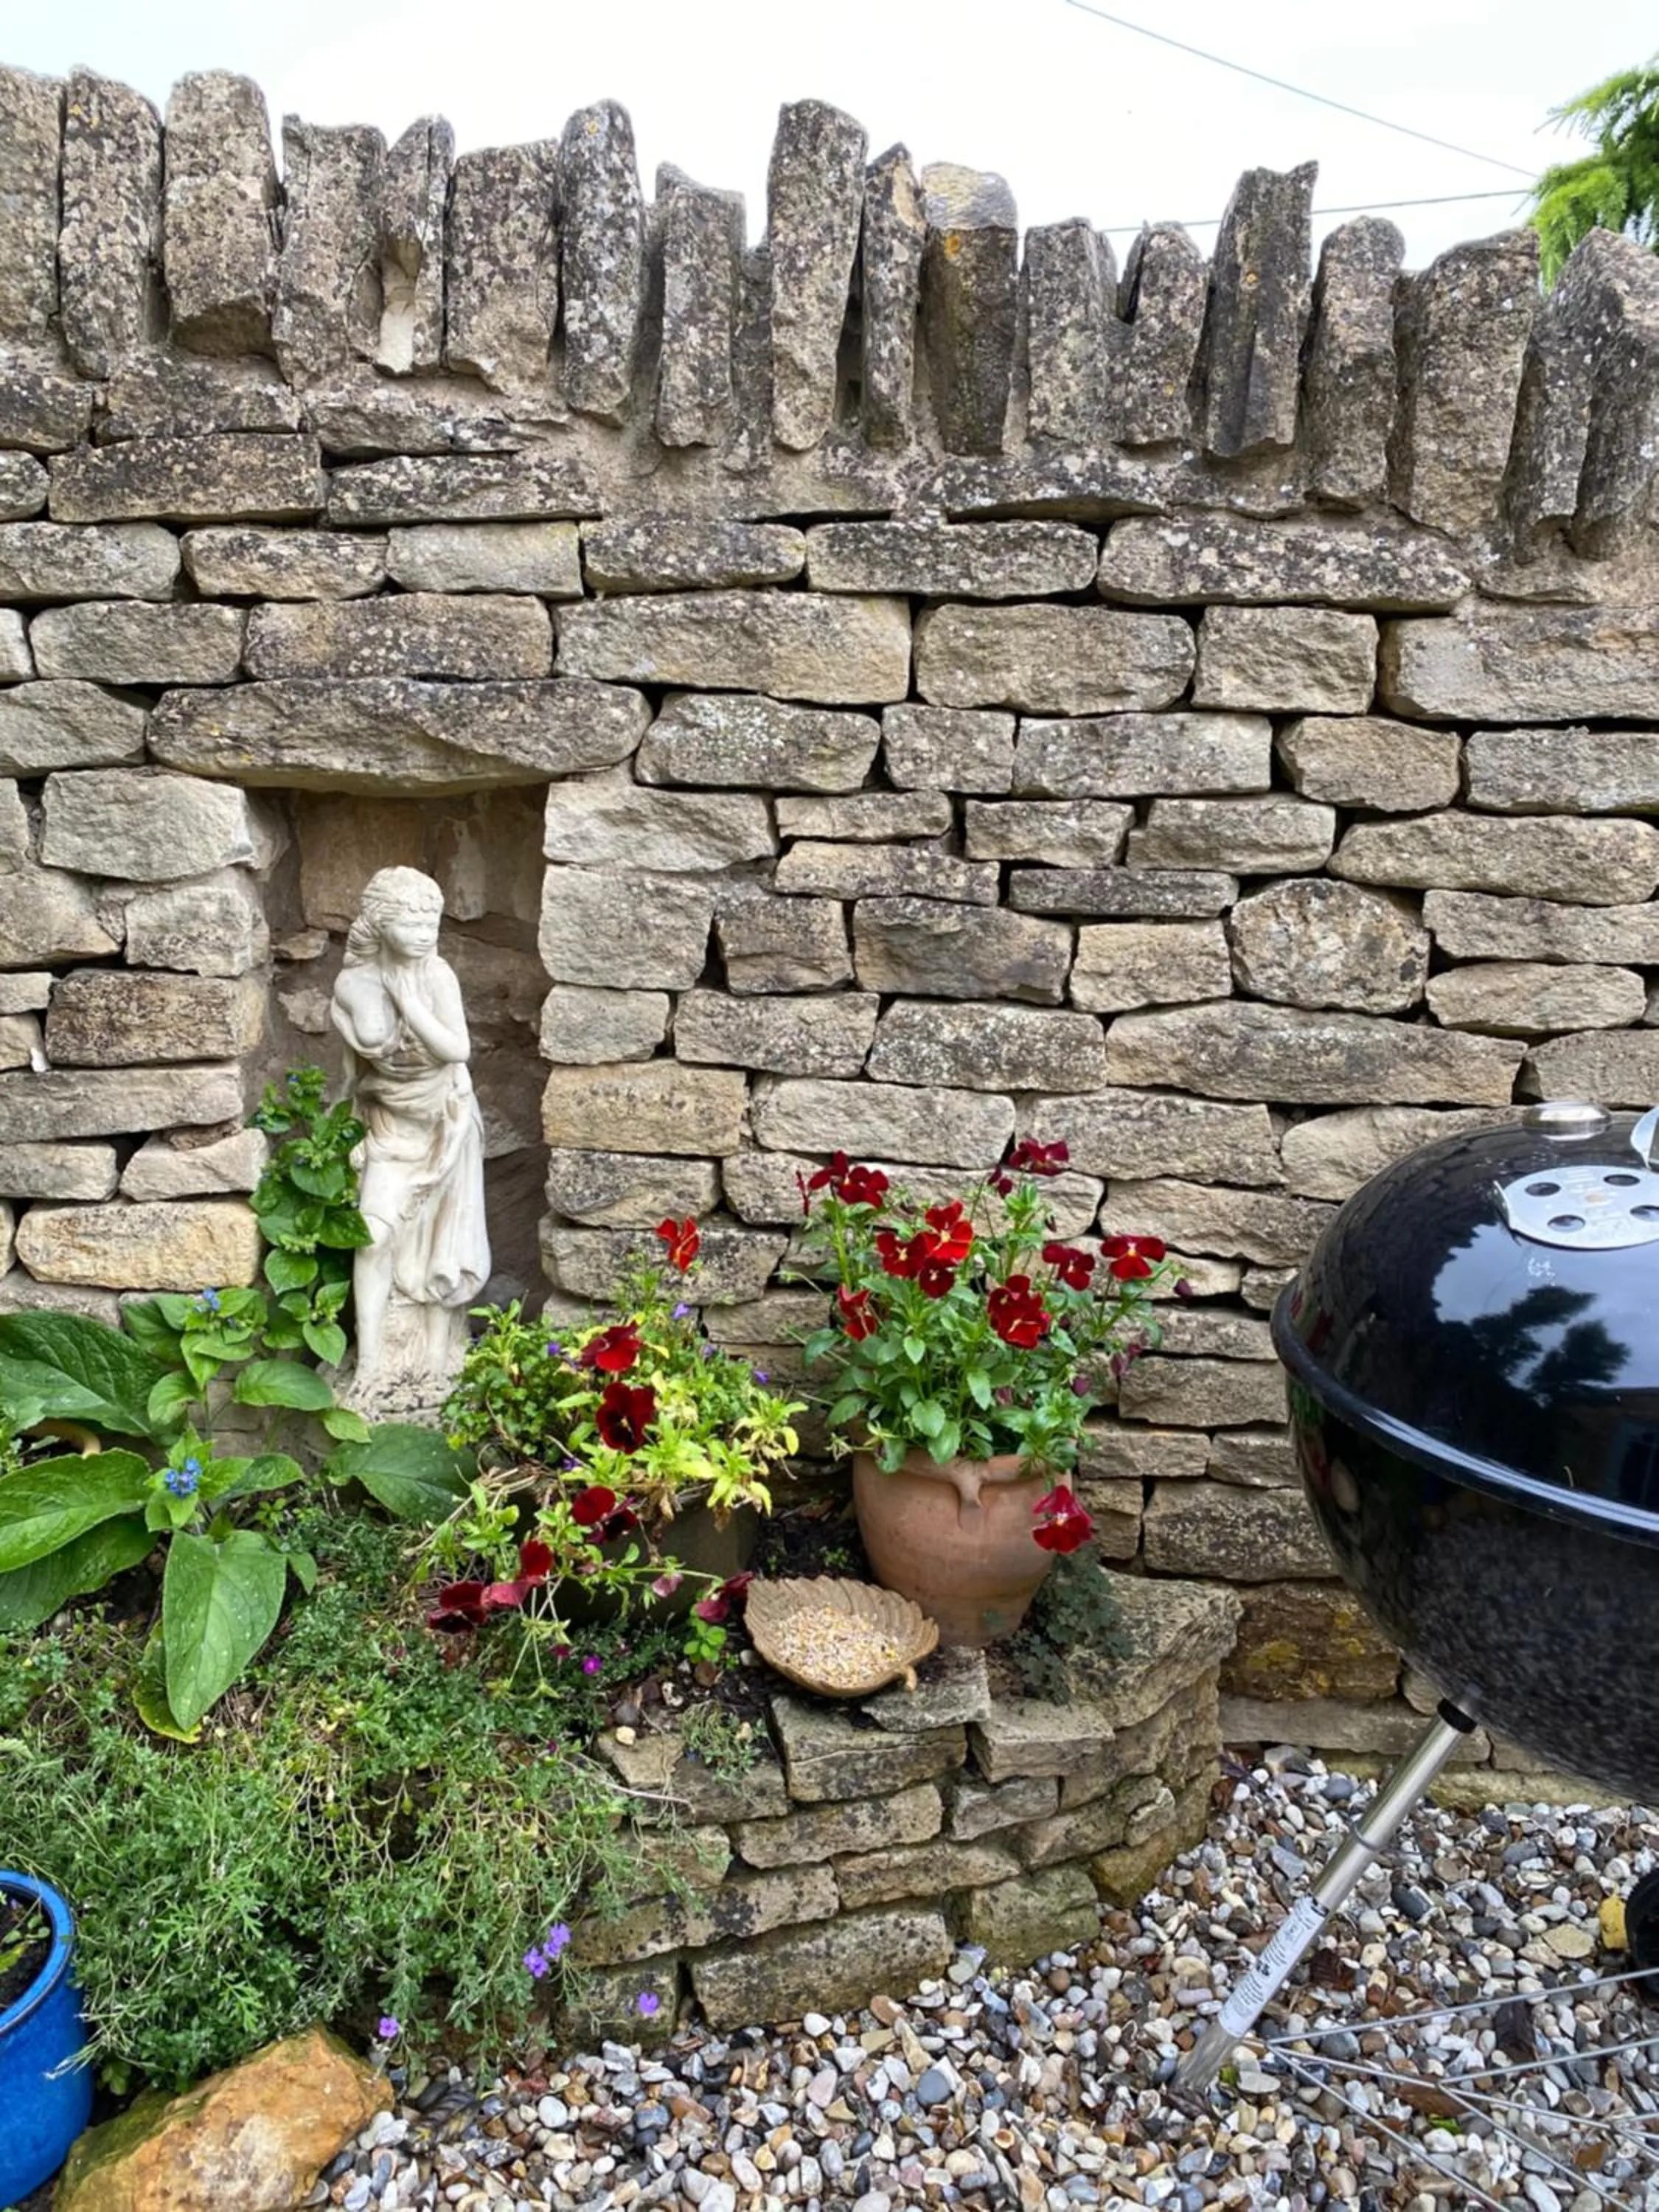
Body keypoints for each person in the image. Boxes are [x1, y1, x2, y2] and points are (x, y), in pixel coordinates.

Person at [330, 866, 490, 1408]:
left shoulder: (437, 975)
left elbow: (457, 1049)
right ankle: (371, 1362)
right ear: (379, 923)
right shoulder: (355, 982)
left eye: (432, 922)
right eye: (410, 923)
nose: (424, 934)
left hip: (444, 1123)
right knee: (373, 1237)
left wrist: (411, 1000)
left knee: (439, 1250)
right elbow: (358, 1060)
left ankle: (437, 1359)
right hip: (390, 1126)